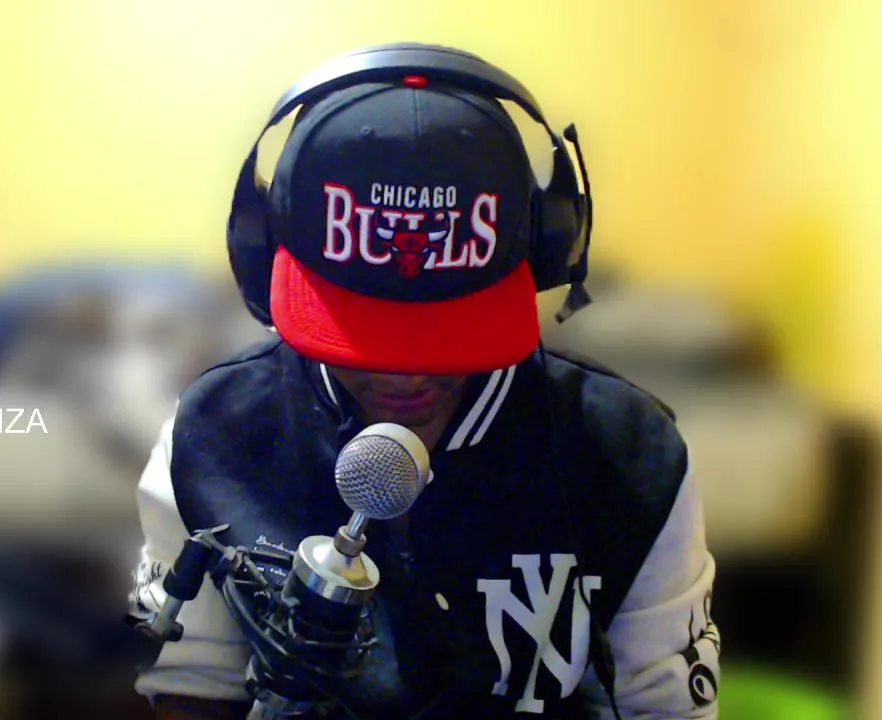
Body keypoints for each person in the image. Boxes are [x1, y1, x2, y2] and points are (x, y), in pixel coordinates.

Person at [128, 43, 720, 719]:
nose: (406, 372)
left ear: (550, 247)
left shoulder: (635, 457)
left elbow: (669, 705)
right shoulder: (206, 439)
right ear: (259, 250)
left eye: (446, 333)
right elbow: (189, 685)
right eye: (365, 336)